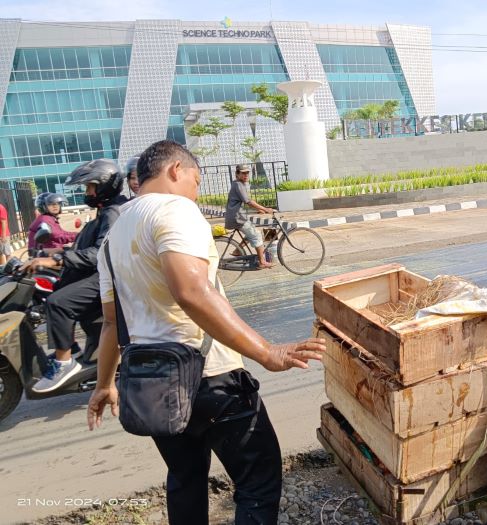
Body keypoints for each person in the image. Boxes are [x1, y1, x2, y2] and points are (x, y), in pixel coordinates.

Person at [86, 140, 325, 524]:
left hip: (154, 386)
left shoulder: (112, 240)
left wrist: (104, 384)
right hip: (212, 379)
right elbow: (192, 290)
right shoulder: (175, 208)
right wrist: (267, 352)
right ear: (176, 170)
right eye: (196, 181)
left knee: (185, 477)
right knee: (257, 479)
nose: (197, 192)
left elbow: (113, 322)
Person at [22, 159, 128, 393]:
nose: (87, 191)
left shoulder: (113, 212)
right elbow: (87, 244)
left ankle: (63, 362)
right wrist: (55, 252)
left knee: (58, 303)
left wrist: (58, 259)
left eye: (90, 186)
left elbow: (100, 253)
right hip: (101, 273)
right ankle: (77, 352)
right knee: (56, 289)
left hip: (109, 277)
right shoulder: (105, 210)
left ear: (104, 186)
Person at [224, 164, 275, 269]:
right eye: (243, 173)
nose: (246, 175)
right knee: (256, 235)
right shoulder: (238, 185)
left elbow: (242, 201)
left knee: (251, 231)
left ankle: (238, 250)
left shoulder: (238, 184)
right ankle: (262, 262)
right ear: (237, 174)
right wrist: (266, 209)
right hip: (237, 218)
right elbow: (248, 201)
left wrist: (259, 209)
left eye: (247, 173)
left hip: (235, 216)